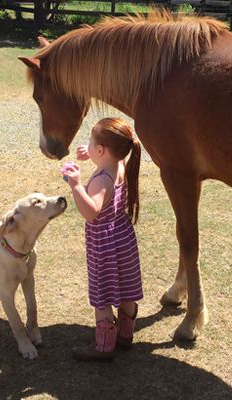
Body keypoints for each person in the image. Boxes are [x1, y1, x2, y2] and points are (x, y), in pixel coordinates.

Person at [61, 118, 142, 361]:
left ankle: (104, 348)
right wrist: (93, 154)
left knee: (104, 294)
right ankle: (125, 336)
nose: (87, 145)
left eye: (91, 142)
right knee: (126, 289)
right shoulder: (120, 164)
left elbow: (91, 211)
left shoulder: (100, 179)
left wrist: (75, 185)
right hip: (123, 237)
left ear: (101, 150)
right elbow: (111, 155)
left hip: (105, 244)